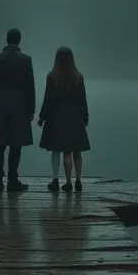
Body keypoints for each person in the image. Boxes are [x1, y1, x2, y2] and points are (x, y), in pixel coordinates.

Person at [0, 28, 35, 192]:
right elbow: (30, 87)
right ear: (19, 40)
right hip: (19, 105)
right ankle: (13, 180)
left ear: (6, 40)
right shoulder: (25, 60)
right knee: (16, 144)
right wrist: (31, 109)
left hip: (0, 104)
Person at [37, 46, 90, 192]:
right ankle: (78, 180)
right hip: (75, 117)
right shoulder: (78, 77)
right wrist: (85, 117)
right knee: (77, 151)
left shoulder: (52, 77)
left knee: (57, 150)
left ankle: (58, 180)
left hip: (56, 117)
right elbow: (82, 100)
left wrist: (42, 117)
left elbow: (47, 100)